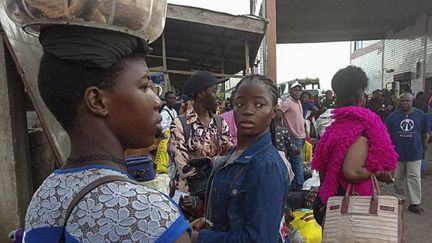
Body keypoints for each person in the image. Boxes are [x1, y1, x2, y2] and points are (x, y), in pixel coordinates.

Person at [24, 26, 191, 242]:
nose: (157, 101)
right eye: (144, 87)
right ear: (97, 101)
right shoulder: (152, 217)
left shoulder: (43, 198)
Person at [191, 74, 289, 243]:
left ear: (273, 112)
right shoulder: (236, 154)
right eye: (240, 104)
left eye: (259, 105)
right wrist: (210, 226)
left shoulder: (265, 164)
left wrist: (200, 238)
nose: (248, 111)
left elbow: (259, 240)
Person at [311, 66, 398, 226]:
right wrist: (378, 172)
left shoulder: (335, 127)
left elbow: (324, 169)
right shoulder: (362, 127)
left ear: (337, 99)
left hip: (331, 201)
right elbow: (352, 172)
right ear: (362, 99)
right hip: (351, 209)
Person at [169, 71, 233, 218]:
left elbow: (229, 152)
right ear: (202, 94)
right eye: (214, 91)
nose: (218, 96)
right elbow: (184, 167)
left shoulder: (219, 122)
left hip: (215, 194)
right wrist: (216, 168)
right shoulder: (180, 123)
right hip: (189, 199)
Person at [386, 92, 429, 214]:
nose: (405, 103)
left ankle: (415, 203)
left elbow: (425, 133)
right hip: (397, 153)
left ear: (412, 101)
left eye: (407, 101)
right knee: (398, 177)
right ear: (399, 102)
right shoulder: (392, 117)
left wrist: (424, 146)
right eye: (403, 101)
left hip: (414, 153)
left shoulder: (420, 115)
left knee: (414, 178)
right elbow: (386, 135)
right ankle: (399, 198)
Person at [280, 81, 306, 190]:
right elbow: (278, 113)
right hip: (294, 137)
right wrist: (282, 128)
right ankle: (300, 186)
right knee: (298, 163)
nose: (298, 92)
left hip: (301, 136)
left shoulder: (298, 102)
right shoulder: (287, 102)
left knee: (297, 162)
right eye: (295, 90)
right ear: (291, 91)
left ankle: (296, 183)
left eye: (299, 90)